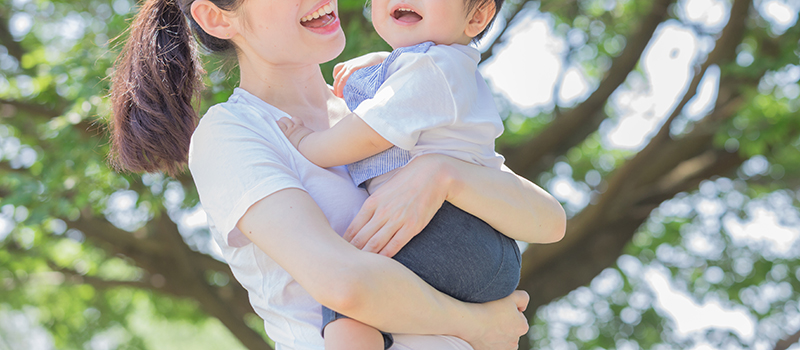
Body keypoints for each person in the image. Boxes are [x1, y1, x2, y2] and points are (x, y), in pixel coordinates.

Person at [107, 0, 567, 350]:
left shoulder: (379, 106)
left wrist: (442, 173)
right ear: (218, 18)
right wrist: (478, 325)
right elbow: (345, 284)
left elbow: (548, 222)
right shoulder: (234, 133)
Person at [278, 0, 529, 349]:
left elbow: (369, 132)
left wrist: (308, 143)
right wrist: (381, 62)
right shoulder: (443, 65)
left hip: (453, 231)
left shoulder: (433, 69)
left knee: (352, 293)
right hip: (478, 239)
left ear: (477, 16)